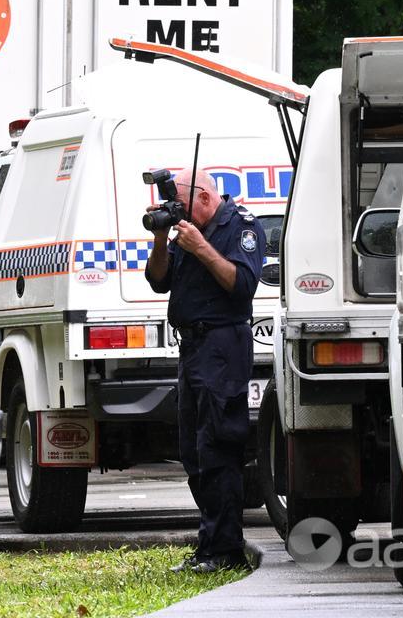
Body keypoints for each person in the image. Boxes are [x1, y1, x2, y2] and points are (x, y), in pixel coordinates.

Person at [145, 168, 266, 573]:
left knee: (218, 447)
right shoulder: (186, 230)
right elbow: (158, 281)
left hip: (223, 345)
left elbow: (243, 284)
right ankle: (210, 543)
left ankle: (226, 550)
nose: (176, 211)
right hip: (193, 348)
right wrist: (162, 238)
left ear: (202, 197)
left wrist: (201, 248)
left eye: (180, 203)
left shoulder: (241, 226)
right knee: (192, 452)